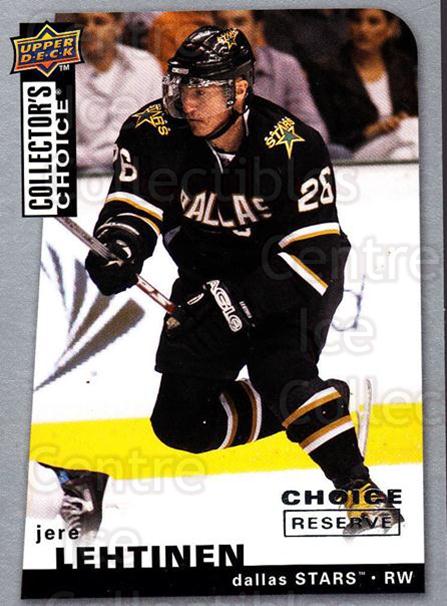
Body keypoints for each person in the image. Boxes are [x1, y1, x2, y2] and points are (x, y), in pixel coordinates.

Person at [85, 25, 401, 534]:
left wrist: (239, 302)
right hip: (203, 278)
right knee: (182, 426)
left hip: (288, 280)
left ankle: (359, 492)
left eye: (200, 90)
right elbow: (132, 205)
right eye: (180, 86)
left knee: (282, 373)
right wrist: (120, 247)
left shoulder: (292, 145)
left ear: (238, 89)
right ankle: (329, 401)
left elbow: (315, 256)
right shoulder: (152, 130)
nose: (186, 103)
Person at [310, 9, 418, 159]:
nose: (363, 29)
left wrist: (400, 119)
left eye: (373, 22)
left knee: (403, 154)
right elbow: (328, 134)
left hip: (400, 142)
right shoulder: (326, 71)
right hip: (355, 150)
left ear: (391, 28)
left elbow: (413, 111)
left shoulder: (402, 65)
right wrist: (375, 129)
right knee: (413, 130)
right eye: (356, 21)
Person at [214, 10, 329, 142]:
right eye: (222, 24)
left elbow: (312, 125)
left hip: (281, 148)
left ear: (258, 28)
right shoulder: (203, 72)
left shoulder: (285, 65)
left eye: (240, 22)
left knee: (337, 151)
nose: (230, 32)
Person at [75, 12, 163, 170]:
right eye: (82, 22)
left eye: (99, 22)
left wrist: (92, 155)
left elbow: (158, 133)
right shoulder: (61, 71)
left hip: (140, 170)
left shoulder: (146, 65)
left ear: (118, 26)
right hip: (81, 174)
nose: (88, 30)